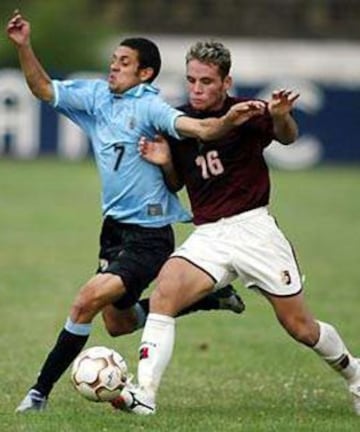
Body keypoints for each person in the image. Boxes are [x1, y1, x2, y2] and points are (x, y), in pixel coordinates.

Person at [7, 13, 262, 413]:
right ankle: (209, 299)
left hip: (150, 235)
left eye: (124, 62)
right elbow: (42, 89)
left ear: (145, 73)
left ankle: (38, 393)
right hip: (114, 231)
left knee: (84, 302)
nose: (114, 65)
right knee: (118, 323)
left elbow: (201, 131)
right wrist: (23, 46)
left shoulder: (151, 109)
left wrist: (227, 120)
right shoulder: (95, 97)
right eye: (113, 59)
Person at [115, 40, 360, 415]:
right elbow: (176, 185)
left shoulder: (246, 112)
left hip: (254, 230)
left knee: (301, 328)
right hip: (210, 235)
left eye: (206, 82)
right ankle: (145, 395)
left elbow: (287, 136)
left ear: (226, 83)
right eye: (191, 80)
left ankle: (355, 374)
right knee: (165, 293)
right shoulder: (180, 123)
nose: (196, 89)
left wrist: (279, 115)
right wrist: (165, 162)